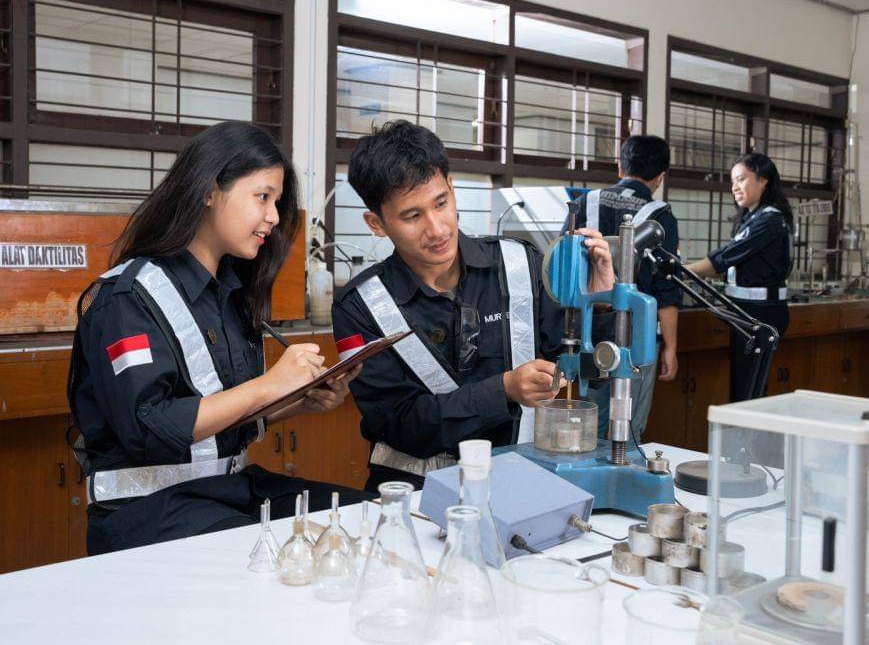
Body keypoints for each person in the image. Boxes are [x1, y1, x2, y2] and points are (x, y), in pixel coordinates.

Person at [68, 121, 370, 555]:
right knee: (273, 558)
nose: (273, 217)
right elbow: (150, 427)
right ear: (209, 191)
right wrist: (269, 385)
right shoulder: (126, 298)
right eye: (262, 197)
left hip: (226, 490)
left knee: (363, 517)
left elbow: (224, 415)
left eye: (277, 202)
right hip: (146, 509)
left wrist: (299, 400)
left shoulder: (230, 292)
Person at [332, 120, 616, 491]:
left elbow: (586, 368)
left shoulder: (520, 264)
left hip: (523, 482)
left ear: (452, 188)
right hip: (415, 493)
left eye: (441, 203)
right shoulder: (360, 306)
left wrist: (598, 304)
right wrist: (503, 390)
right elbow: (398, 423)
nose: (436, 229)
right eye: (412, 216)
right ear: (376, 223)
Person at [564, 135, 682, 442]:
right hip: (636, 335)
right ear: (660, 176)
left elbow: (561, 266)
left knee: (588, 422)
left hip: (587, 331)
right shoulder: (660, 216)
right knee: (626, 426)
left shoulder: (584, 203)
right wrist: (670, 347)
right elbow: (666, 291)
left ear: (620, 166)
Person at [686, 152, 793, 403]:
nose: (734, 187)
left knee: (749, 389)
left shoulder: (769, 219)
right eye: (732, 181)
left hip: (761, 312)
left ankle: (747, 430)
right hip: (745, 310)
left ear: (763, 180)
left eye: (741, 179)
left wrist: (683, 270)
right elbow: (725, 264)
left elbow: (725, 257)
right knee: (743, 385)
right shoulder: (752, 217)